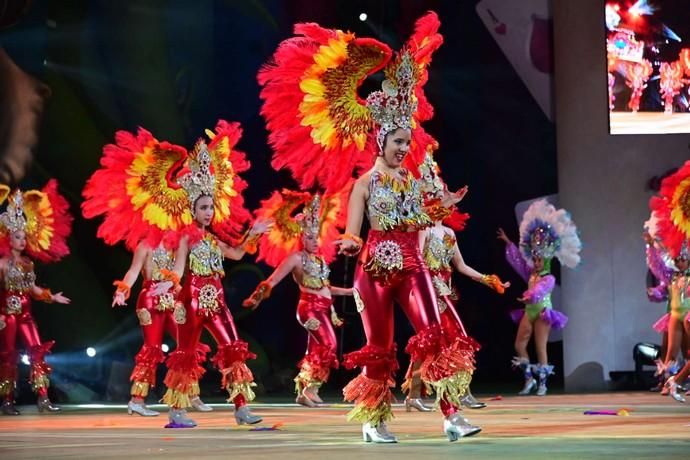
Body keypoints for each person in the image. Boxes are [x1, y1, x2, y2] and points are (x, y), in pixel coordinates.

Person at [82, 127, 213, 417]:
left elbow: (180, 267)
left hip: (173, 298)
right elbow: (132, 272)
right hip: (150, 300)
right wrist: (122, 290)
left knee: (186, 346)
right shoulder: (145, 245)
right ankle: (137, 400)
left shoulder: (180, 240)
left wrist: (173, 284)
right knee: (152, 348)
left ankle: (190, 394)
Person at [160, 135, 269, 429]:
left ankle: (241, 409)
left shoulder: (212, 239)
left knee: (233, 346)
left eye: (211, 207)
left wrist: (253, 232)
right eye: (204, 207)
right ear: (193, 209)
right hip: (190, 300)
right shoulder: (185, 236)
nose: (209, 212)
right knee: (185, 356)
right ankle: (177, 411)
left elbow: (236, 252)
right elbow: (178, 268)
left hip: (216, 300)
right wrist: (167, 282)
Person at [243, 194, 351, 407]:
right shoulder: (295, 259)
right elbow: (272, 280)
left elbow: (324, 287)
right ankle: (308, 388)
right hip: (308, 309)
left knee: (314, 350)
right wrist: (257, 296)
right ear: (301, 237)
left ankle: (308, 392)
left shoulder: (319, 259)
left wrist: (348, 292)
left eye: (316, 237)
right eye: (309, 237)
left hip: (324, 308)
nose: (314, 241)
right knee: (329, 344)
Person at [0, 181, 72, 415]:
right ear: (9, 237)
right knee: (8, 356)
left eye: (24, 237)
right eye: (18, 236)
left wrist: (52, 296)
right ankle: (8, 401)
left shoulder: (28, 263)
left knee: (37, 351)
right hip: (7, 315)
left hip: (26, 314)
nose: (22, 241)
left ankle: (43, 398)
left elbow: (32, 289)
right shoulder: (1, 263)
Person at [497, 199, 581, 396]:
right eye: (534, 259)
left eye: (538, 259)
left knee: (540, 347)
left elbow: (540, 291)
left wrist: (529, 296)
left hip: (543, 312)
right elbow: (518, 261)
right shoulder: (530, 273)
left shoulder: (548, 277)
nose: (535, 263)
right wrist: (509, 242)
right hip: (529, 311)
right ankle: (529, 380)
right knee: (519, 344)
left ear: (547, 259)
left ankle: (543, 384)